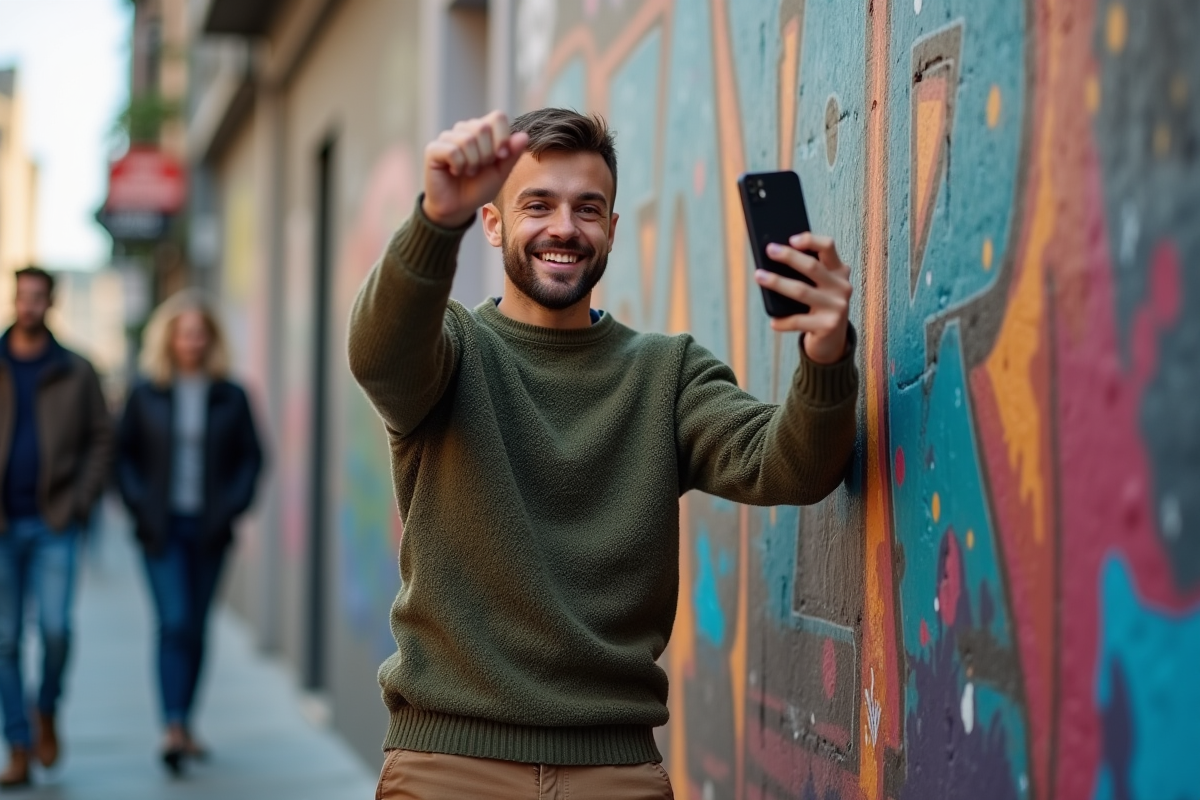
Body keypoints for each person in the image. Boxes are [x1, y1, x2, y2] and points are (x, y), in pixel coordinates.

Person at [349, 108, 858, 800]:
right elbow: (379, 354)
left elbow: (790, 466)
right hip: (450, 764)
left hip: (614, 770)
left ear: (612, 230)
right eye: (538, 205)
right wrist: (436, 220)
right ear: (492, 223)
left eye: (587, 209)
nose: (564, 227)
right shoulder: (453, 350)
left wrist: (826, 353)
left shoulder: (667, 373)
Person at [115, 290, 262, 775]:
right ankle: (173, 726)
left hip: (210, 529)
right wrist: (139, 505)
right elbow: (123, 456)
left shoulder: (231, 394)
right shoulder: (146, 392)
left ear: (211, 339)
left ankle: (186, 720)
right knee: (174, 620)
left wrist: (232, 507)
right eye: (184, 334)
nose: (192, 342)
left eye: (200, 334)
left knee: (196, 626)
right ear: (169, 339)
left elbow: (252, 457)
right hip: (161, 529)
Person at [0, 267, 112, 787]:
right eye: (21, 296)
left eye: (37, 297)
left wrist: (79, 502)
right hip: (2, 528)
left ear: (51, 303)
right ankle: (18, 745)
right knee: (4, 641)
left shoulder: (76, 370)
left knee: (55, 631)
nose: (28, 305)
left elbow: (101, 438)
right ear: (14, 299)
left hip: (54, 523)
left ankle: (46, 707)